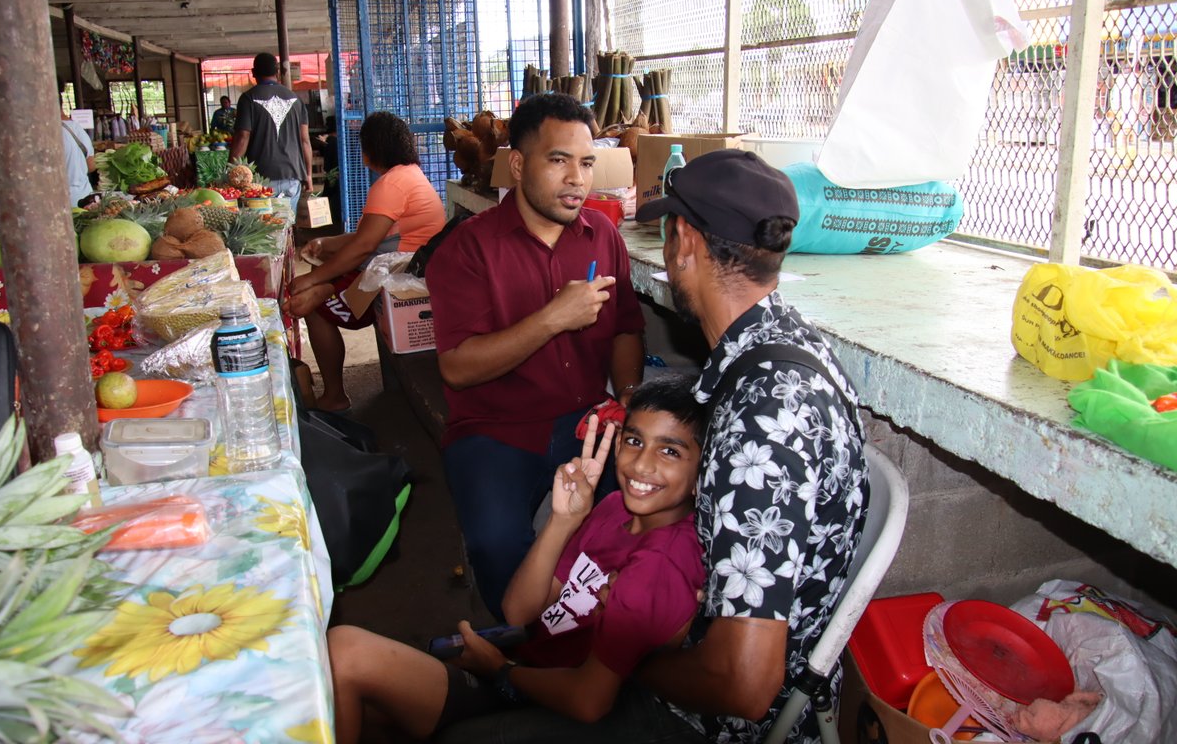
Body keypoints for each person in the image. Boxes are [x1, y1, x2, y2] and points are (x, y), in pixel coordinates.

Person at [437, 149, 871, 744]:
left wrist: (620, 647)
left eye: (669, 232)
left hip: (706, 720)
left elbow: (742, 684)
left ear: (685, 242)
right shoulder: (787, 341)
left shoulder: (760, 426)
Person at [328, 374, 707, 744]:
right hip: (531, 666)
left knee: (346, 655)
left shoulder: (661, 562)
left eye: (670, 451)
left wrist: (500, 671)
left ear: (702, 472)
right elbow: (520, 612)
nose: (641, 465)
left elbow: (588, 701)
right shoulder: (613, 509)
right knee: (366, 704)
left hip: (549, 696)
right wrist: (564, 520)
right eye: (634, 441)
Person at [425, 93, 645, 618]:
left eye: (587, 163)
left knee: (645, 512)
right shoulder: (468, 249)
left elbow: (626, 329)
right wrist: (553, 317)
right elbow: (456, 365)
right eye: (558, 160)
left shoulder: (604, 236)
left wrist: (630, 400)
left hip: (589, 422)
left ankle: (602, 635)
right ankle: (516, 654)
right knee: (497, 544)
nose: (577, 179)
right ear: (519, 164)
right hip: (497, 429)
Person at [283, 111, 445, 411]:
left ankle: (335, 396)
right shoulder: (408, 175)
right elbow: (367, 238)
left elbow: (364, 247)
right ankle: (330, 287)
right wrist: (325, 244)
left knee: (310, 305)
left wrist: (314, 278)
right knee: (321, 276)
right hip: (405, 266)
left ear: (371, 149)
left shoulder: (391, 184)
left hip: (400, 280)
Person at [229, 53, 312, 211]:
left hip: (260, 179)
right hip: (292, 175)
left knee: (264, 230)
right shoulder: (296, 99)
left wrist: (232, 170)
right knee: (285, 228)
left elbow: (242, 137)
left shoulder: (248, 99)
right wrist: (308, 175)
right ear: (278, 73)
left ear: (253, 73)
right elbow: (305, 141)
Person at [61, 104, 96, 208]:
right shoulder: (78, 128)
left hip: (63, 203)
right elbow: (91, 166)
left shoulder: (47, 133)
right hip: (86, 198)